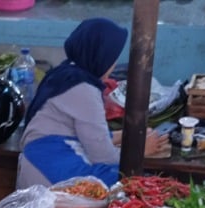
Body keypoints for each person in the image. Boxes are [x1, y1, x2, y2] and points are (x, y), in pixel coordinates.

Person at [17, 18, 169, 187]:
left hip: (41, 159)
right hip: (50, 171)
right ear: (101, 56)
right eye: (113, 58)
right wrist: (140, 151)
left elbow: (90, 135)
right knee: (130, 180)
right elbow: (104, 157)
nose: (114, 65)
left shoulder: (65, 73)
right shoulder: (83, 89)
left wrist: (128, 136)